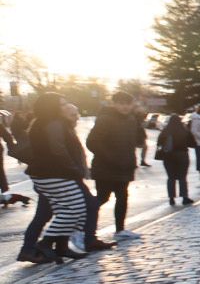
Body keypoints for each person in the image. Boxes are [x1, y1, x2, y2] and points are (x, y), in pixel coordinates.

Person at [18, 93, 95, 261]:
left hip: (49, 174)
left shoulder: (45, 122)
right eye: (62, 104)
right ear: (51, 107)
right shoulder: (53, 124)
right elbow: (59, 150)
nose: (65, 106)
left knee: (63, 210)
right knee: (76, 208)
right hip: (54, 174)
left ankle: (60, 246)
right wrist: (74, 168)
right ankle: (45, 243)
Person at [87, 91, 146, 238]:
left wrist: (139, 122)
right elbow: (92, 142)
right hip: (106, 167)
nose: (125, 107)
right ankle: (84, 228)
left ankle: (120, 229)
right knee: (103, 197)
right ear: (113, 104)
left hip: (125, 165)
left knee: (122, 197)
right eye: (121, 103)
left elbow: (139, 141)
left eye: (128, 104)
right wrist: (110, 158)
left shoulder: (132, 119)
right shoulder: (105, 119)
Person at [155, 114, 195, 206]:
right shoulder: (184, 130)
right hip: (182, 155)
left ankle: (171, 198)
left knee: (171, 177)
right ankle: (184, 197)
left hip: (168, 156)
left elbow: (159, 143)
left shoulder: (165, 131)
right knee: (182, 177)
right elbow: (192, 143)